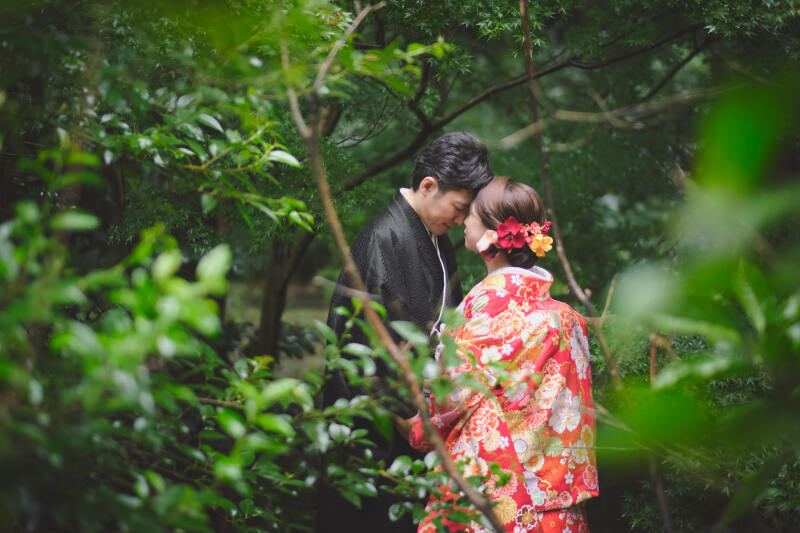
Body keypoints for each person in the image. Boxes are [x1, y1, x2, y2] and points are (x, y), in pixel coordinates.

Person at [316, 132, 494, 533]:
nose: (461, 221)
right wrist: (410, 417)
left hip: (418, 415)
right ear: (428, 185)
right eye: (459, 208)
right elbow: (367, 343)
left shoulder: (435, 238)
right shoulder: (384, 239)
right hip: (383, 419)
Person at [407, 176, 599, 533]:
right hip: (560, 498)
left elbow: (454, 395)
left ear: (491, 236)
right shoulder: (569, 319)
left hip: (496, 500)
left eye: (471, 214)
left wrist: (418, 427)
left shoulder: (488, 309)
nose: (464, 221)